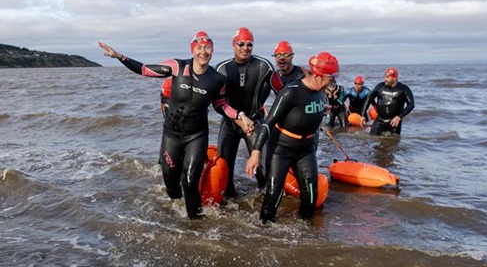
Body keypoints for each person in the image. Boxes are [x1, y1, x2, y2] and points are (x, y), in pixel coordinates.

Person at [99, 32, 248, 219]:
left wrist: (241, 117)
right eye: (199, 48)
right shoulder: (177, 66)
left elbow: (220, 105)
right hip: (172, 135)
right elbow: (145, 69)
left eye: (207, 47)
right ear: (192, 50)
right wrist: (119, 56)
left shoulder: (217, 79)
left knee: (190, 180)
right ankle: (175, 211)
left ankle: (194, 222)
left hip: (197, 135)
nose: (203, 52)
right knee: (170, 181)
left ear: (212, 50)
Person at [246, 51, 340, 223]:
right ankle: (263, 231)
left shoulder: (321, 91)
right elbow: (268, 122)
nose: (332, 83)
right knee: (274, 193)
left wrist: (322, 110)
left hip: (305, 150)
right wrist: (256, 152)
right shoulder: (291, 92)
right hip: (281, 149)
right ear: (319, 76)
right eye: (331, 79)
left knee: (311, 194)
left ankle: (306, 234)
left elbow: (309, 109)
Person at [214, 27, 274, 196]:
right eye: (241, 44)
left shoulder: (264, 66)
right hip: (230, 123)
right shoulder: (222, 69)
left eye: (249, 45)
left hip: (255, 123)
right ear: (233, 45)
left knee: (263, 170)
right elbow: (217, 102)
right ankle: (229, 206)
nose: (245, 48)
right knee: (224, 169)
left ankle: (265, 202)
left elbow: (282, 89)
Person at [362, 67, 415, 135]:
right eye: (384, 77)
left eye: (387, 77)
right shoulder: (380, 86)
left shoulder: (404, 89)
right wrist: (363, 115)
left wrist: (399, 117)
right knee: (372, 138)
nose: (385, 79)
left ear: (395, 78)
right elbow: (369, 99)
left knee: (393, 142)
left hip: (394, 121)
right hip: (380, 119)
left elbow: (411, 104)